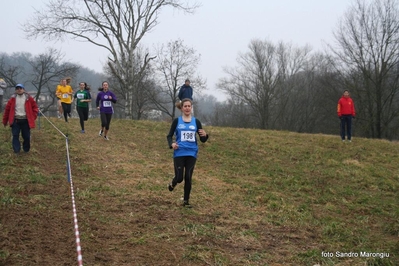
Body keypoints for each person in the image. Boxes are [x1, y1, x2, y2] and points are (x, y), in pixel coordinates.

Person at [166, 98, 209, 208]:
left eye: (189, 106)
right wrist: (172, 144)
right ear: (181, 108)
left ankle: (186, 201)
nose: (187, 108)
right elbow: (169, 136)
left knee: (188, 177)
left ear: (191, 108)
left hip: (192, 153)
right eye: (185, 106)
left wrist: (205, 135)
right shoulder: (177, 121)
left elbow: (202, 139)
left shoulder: (196, 122)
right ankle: (173, 183)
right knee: (180, 178)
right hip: (179, 153)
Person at [2, 84, 39, 154]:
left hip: (25, 120)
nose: (19, 89)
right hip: (15, 120)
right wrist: (5, 121)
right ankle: (16, 150)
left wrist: (33, 116)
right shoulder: (12, 99)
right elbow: (7, 110)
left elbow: (35, 108)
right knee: (15, 135)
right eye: (17, 88)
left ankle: (26, 150)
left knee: (26, 136)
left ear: (23, 89)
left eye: (20, 88)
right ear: (16, 90)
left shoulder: (29, 98)